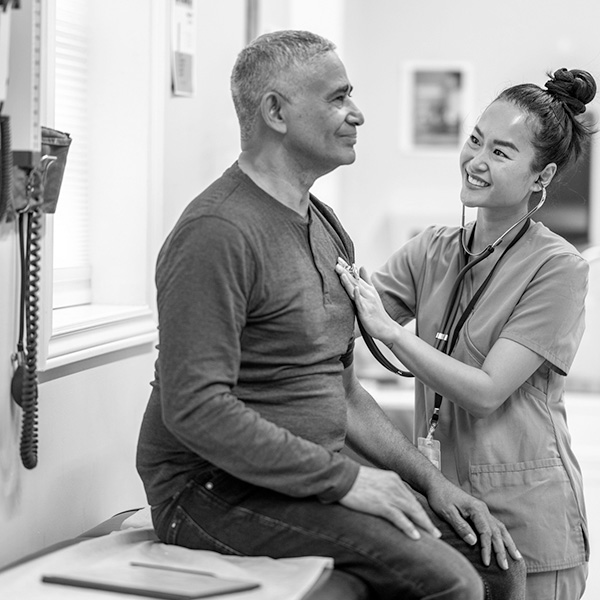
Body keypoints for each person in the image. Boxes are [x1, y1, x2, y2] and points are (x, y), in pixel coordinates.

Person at [136, 30, 526, 599]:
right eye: (339, 98)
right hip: (208, 490)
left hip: (302, 477)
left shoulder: (325, 226)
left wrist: (432, 484)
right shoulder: (217, 234)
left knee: (498, 566)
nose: (358, 114)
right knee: (448, 582)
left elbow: (344, 396)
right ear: (276, 111)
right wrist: (346, 482)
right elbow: (195, 409)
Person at [336, 67, 596, 600]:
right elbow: (345, 313)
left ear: (541, 177)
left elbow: (485, 392)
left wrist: (394, 334)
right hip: (450, 515)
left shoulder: (558, 267)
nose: (476, 161)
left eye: (501, 153)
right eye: (476, 139)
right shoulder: (432, 250)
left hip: (529, 521)